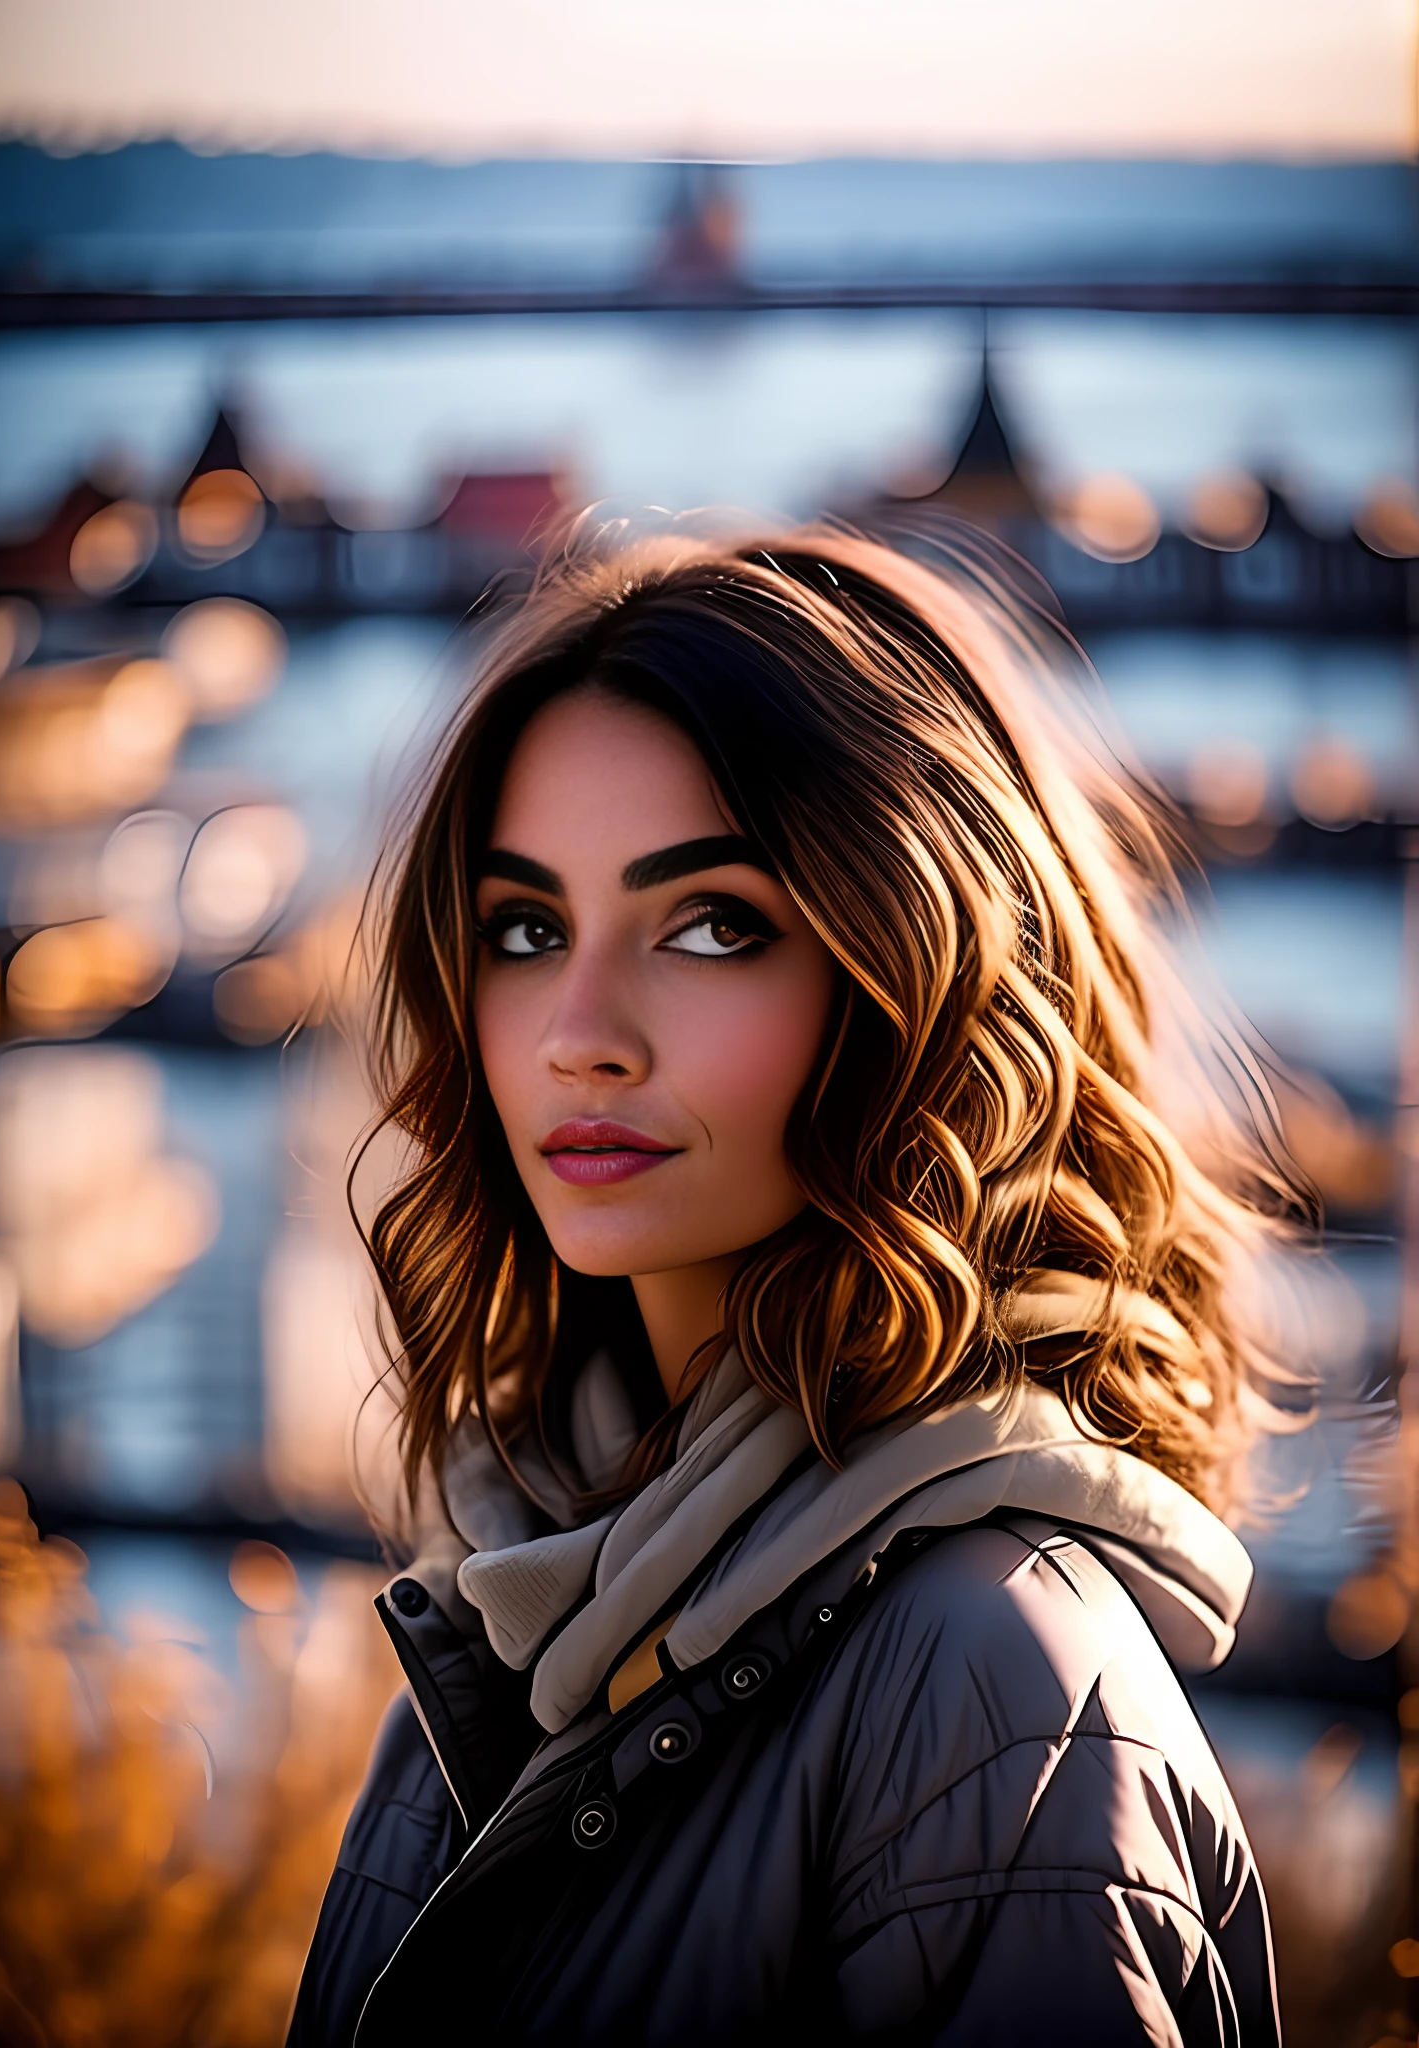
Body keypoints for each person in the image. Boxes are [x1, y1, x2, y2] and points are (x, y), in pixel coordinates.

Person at [289, 522, 1287, 2045]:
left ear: (912, 992)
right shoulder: (527, 1597)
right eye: (527, 926)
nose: (579, 1032)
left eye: (712, 925)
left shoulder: (999, 1698)